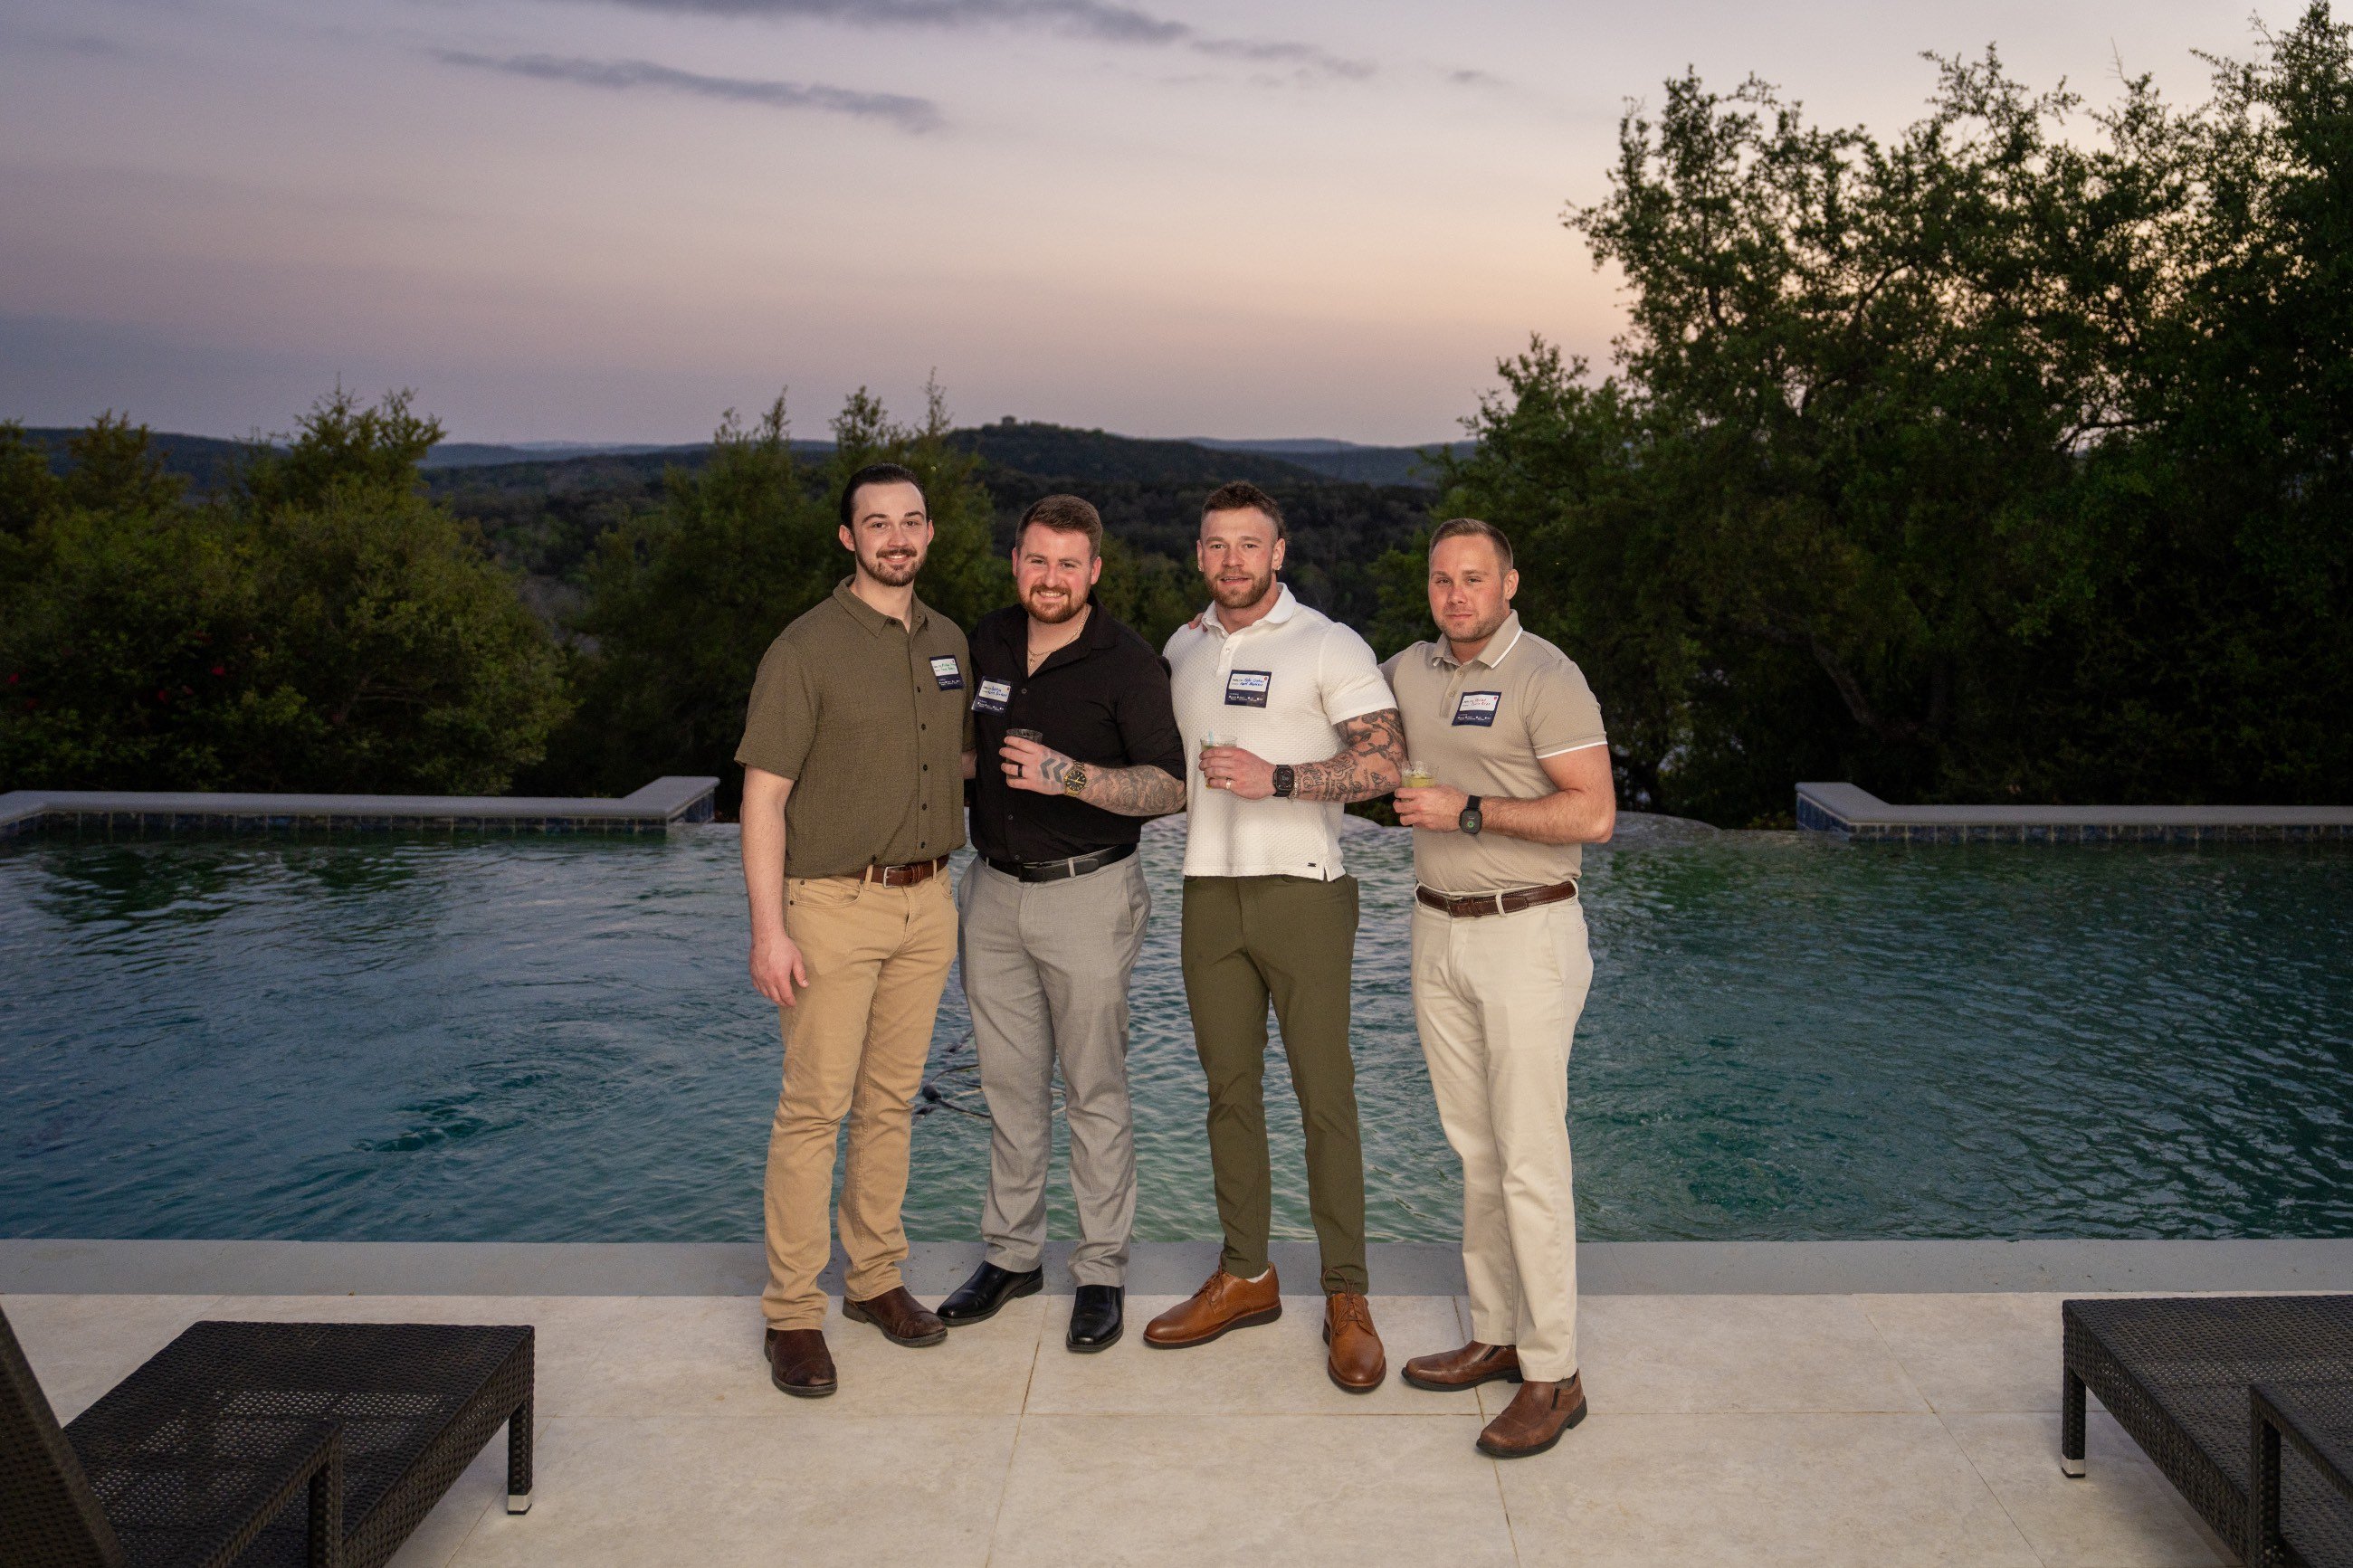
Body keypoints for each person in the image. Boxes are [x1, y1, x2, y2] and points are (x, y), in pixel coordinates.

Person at [1144, 480, 1405, 1392]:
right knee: (1227, 1093)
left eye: (1247, 545)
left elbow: (1386, 759)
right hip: (1205, 894)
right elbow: (1162, 775)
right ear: (1200, 553)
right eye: (1215, 544)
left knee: (1323, 1097)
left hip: (1304, 893)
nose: (1230, 561)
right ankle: (1246, 1273)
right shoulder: (1181, 646)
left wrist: (1280, 776)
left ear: (1278, 551)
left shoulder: (1327, 642)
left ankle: (1346, 1295)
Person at [736, 461, 975, 1399]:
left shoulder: (947, 638)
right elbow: (763, 797)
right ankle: (792, 1311)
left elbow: (943, 754)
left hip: (927, 903)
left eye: (911, 520)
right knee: (812, 1110)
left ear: (929, 532)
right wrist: (768, 930)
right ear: (848, 538)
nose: (895, 537)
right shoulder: (804, 649)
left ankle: (873, 1276)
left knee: (889, 1103)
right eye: (876, 523)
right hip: (830, 905)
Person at [1382, 517, 1615, 1458]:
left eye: (1473, 578)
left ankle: (1553, 1371)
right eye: (1441, 578)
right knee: (1474, 1149)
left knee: (1527, 1155)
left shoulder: (1546, 676)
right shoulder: (1407, 669)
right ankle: (1495, 1330)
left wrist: (1467, 808)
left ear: (1509, 583)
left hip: (1527, 928)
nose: (1455, 594)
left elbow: (1592, 814)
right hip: (1436, 927)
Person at [935, 494, 1188, 1353]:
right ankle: (1012, 1256)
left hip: (1088, 893)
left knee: (1093, 1088)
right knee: (1006, 1084)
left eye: (1068, 564)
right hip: (992, 893)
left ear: (1095, 571)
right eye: (1037, 560)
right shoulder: (988, 641)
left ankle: (1102, 1269)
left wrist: (1068, 776)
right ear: (1017, 563)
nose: (1051, 578)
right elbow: (971, 752)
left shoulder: (1129, 663)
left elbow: (1168, 786)